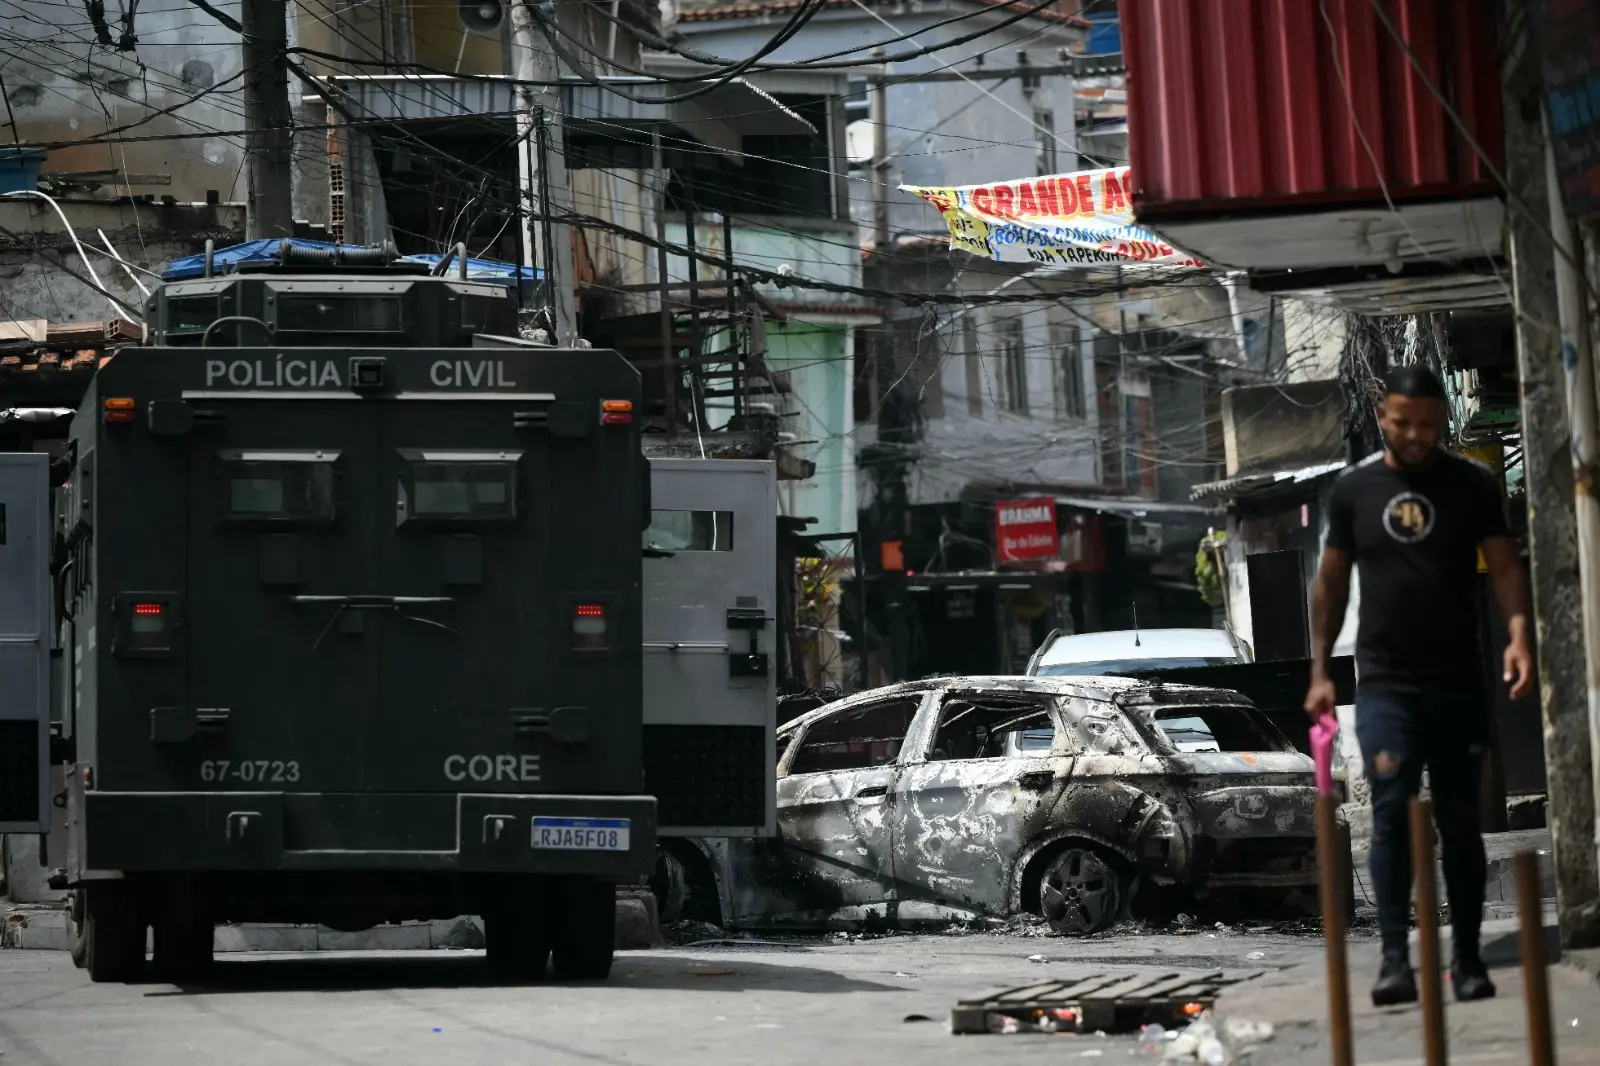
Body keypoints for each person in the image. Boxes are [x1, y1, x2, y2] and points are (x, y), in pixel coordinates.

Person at [1305, 363, 1532, 1008]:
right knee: (1390, 811)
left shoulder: (1471, 485)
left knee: (1460, 820)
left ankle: (1467, 960)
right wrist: (1319, 671)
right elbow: (1330, 584)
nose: (1415, 435)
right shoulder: (1354, 491)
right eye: (1403, 423)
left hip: (1457, 680)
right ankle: (1393, 960)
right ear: (1383, 417)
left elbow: (1505, 569)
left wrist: (1518, 636)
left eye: (1427, 425)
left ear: (1442, 421)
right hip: (1386, 685)